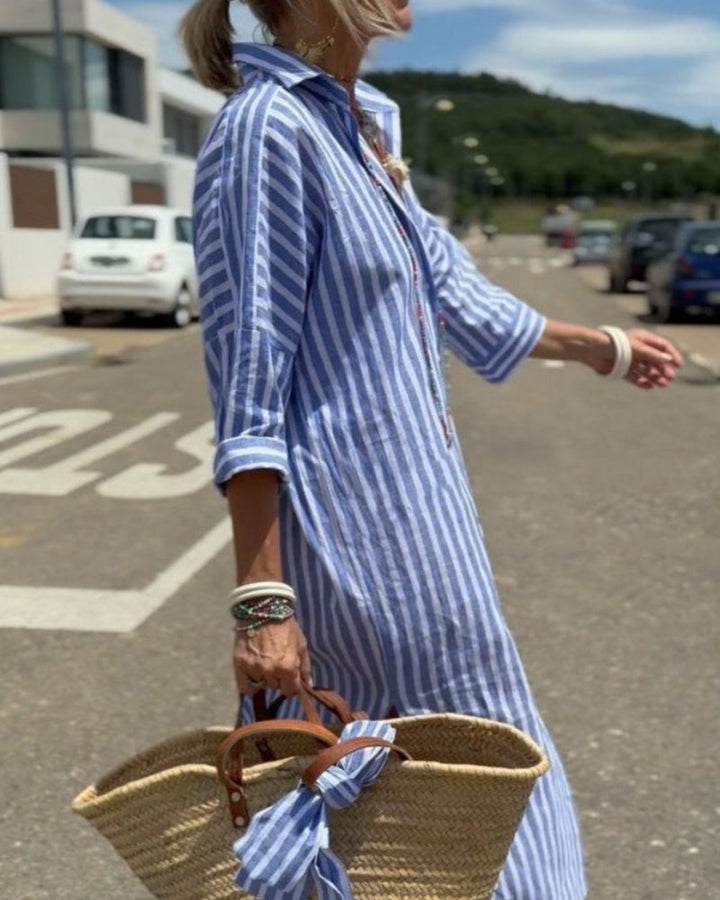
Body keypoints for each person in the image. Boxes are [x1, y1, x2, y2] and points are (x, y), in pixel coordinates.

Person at [182, 1, 683, 897]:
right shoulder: (269, 129)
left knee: (429, 791)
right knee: (449, 778)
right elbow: (249, 378)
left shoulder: (362, 128)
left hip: (424, 521)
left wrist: (604, 344)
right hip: (357, 535)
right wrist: (262, 600)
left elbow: (456, 291)